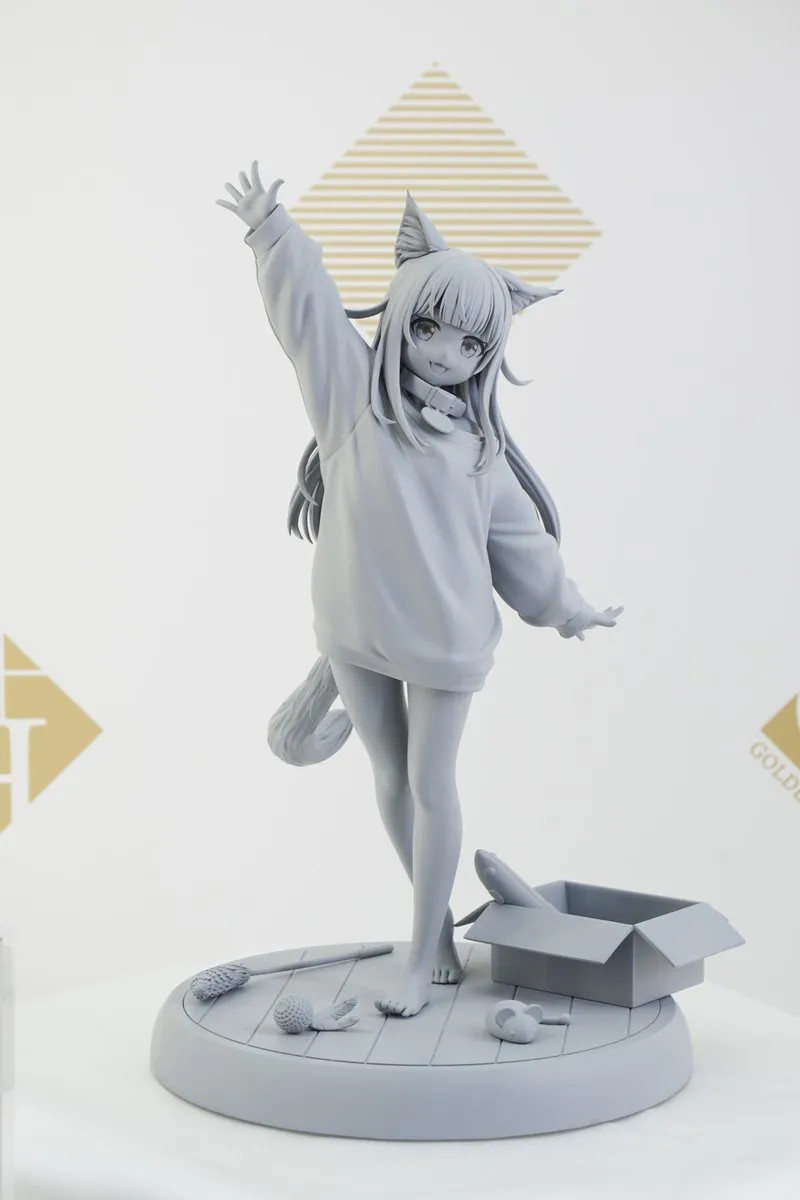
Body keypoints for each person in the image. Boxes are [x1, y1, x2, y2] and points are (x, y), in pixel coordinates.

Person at [217, 162, 623, 1017]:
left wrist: (569, 609)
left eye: (470, 345)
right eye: (430, 328)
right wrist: (271, 231)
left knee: (433, 785)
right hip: (354, 627)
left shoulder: (479, 454)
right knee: (392, 779)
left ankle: (419, 955)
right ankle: (432, 932)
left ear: (488, 357)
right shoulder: (351, 401)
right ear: (401, 317)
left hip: (444, 641)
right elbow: (309, 315)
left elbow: (523, 548)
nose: (444, 353)